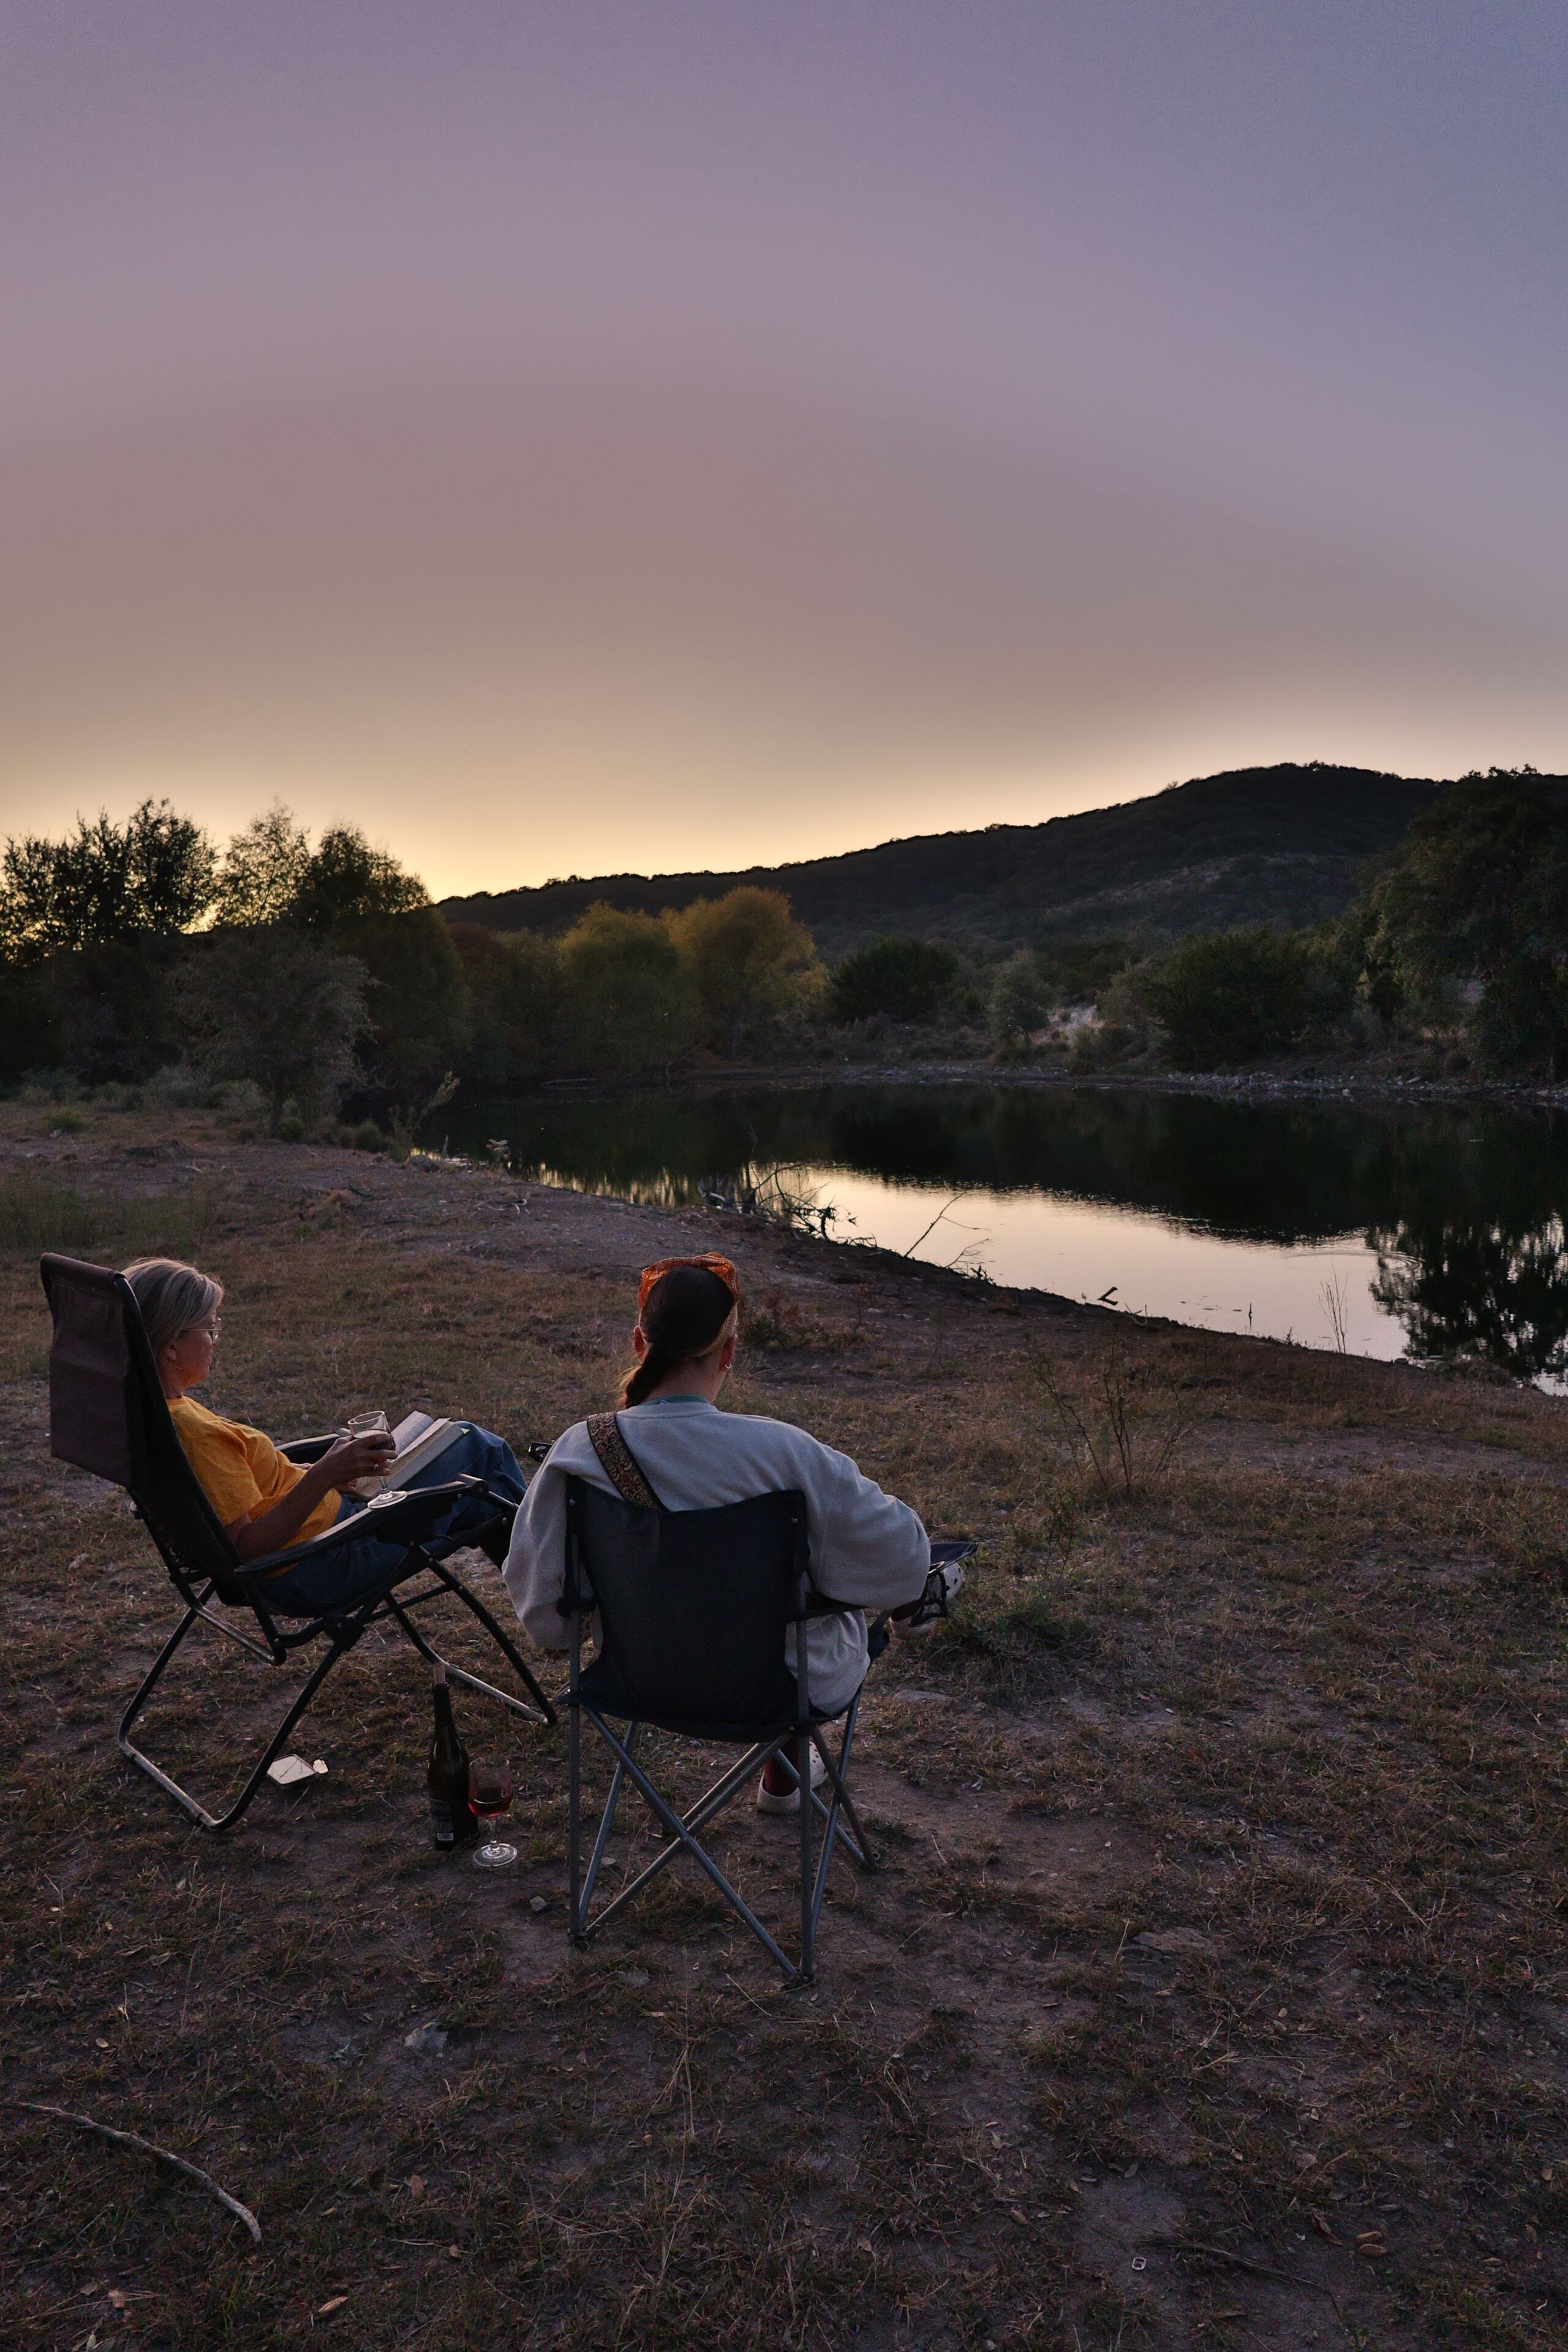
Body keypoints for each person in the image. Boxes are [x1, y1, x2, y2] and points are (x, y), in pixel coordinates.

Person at [504, 1253, 962, 1814]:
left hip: (634, 1676)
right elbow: (904, 1558)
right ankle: (787, 1767)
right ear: (729, 1352)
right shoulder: (785, 1454)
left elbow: (543, 1617)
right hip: (778, 1690)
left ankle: (783, 1772)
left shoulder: (579, 1451)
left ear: (637, 1343)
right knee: (811, 1598)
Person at [123, 1256, 528, 1613]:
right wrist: (322, 1478)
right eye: (209, 1330)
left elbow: (251, 1490)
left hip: (324, 1535)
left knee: (480, 1495)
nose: (215, 1341)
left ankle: (551, 1598)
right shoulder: (196, 1435)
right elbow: (245, 1549)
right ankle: (558, 1599)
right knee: (478, 1452)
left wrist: (321, 1469)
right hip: (323, 1562)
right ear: (172, 1345)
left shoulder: (162, 1410)